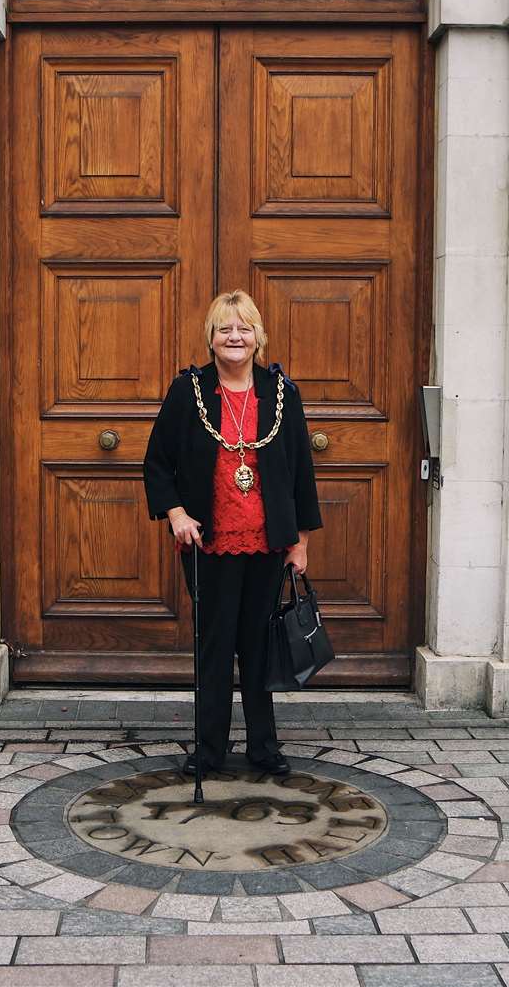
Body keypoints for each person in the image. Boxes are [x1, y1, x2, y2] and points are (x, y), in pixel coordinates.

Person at [144, 291, 322, 777]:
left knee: (260, 649)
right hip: (209, 544)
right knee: (216, 648)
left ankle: (263, 748)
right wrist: (177, 514)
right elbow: (157, 461)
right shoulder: (190, 392)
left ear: (258, 336)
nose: (235, 337)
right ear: (212, 338)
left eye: (243, 328)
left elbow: (301, 471)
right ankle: (209, 751)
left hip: (268, 543)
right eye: (225, 329)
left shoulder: (282, 392)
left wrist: (300, 542)